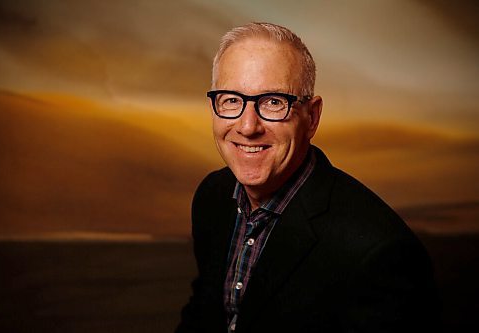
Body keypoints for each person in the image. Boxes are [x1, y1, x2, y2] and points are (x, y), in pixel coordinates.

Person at [176, 22, 439, 333]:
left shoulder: (377, 252)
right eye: (231, 100)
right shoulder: (212, 196)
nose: (248, 126)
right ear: (213, 108)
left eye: (273, 102)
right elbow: (206, 315)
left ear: (311, 117)